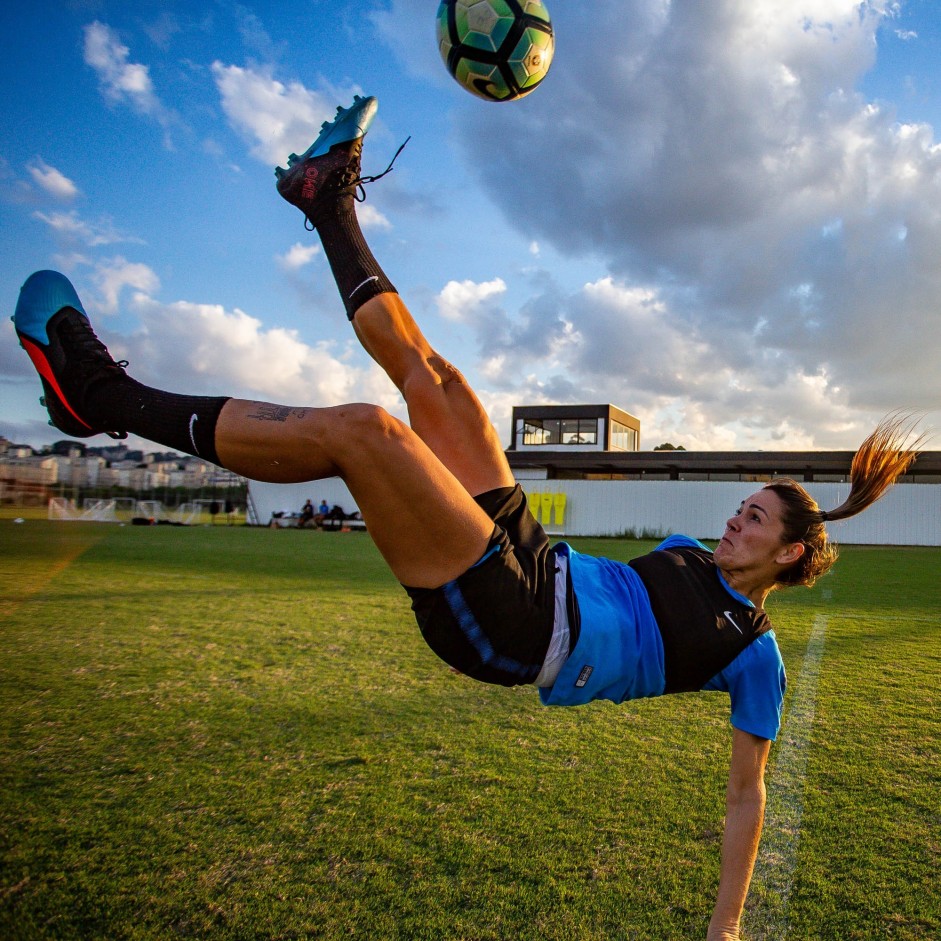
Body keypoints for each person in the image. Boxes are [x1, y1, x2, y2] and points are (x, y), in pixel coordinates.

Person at [13, 95, 921, 941]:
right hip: (538, 559)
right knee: (439, 385)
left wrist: (724, 931)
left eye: (753, 520)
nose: (732, 523)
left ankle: (102, 394)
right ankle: (326, 203)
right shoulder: (688, 550)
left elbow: (744, 798)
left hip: (519, 627)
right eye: (739, 508)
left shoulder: (751, 653)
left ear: (792, 552)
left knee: (370, 436)